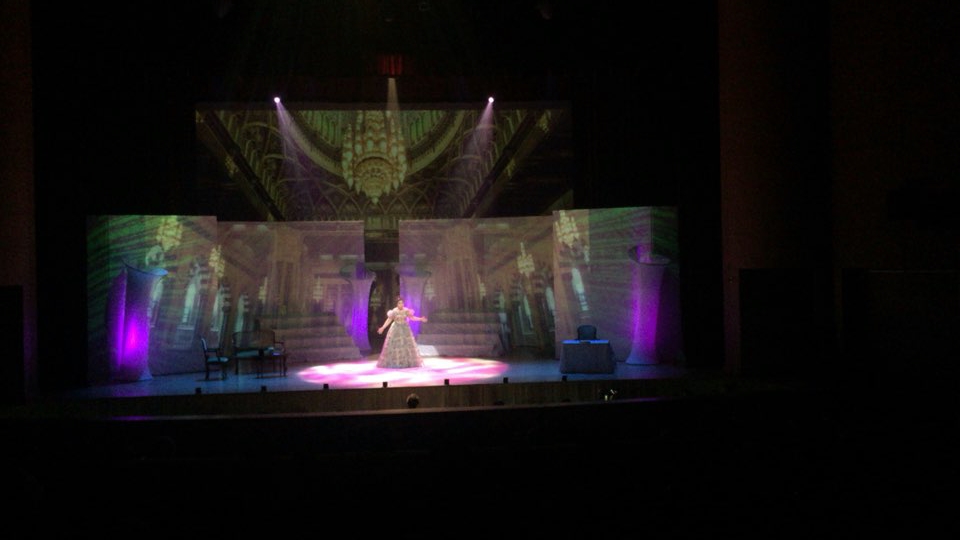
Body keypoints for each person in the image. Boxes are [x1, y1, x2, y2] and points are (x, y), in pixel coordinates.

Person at [376, 297, 427, 368]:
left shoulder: (406, 310)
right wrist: (383, 327)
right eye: (399, 303)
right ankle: (395, 362)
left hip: (405, 329)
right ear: (397, 304)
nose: (401, 304)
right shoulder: (394, 311)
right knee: (395, 345)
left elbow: (412, 318)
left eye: (402, 303)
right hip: (395, 329)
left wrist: (420, 319)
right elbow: (389, 320)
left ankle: (406, 362)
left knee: (406, 345)